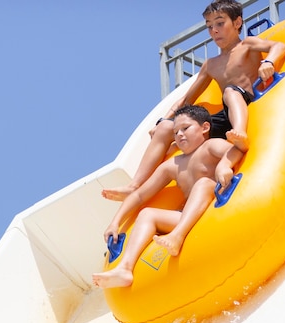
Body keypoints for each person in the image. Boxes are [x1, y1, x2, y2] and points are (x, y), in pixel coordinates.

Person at [101, 0, 285, 202]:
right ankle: (134, 185)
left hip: (248, 101)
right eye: (209, 27)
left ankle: (240, 131)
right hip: (226, 115)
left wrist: (269, 61)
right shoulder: (211, 64)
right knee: (165, 128)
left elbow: (279, 46)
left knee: (230, 92)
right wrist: (164, 121)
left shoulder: (247, 45)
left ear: (237, 22)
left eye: (219, 23)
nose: (214, 31)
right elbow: (188, 98)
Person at [92, 105, 244, 289]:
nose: (179, 135)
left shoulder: (211, 146)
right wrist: (115, 223)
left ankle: (177, 236)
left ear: (204, 128)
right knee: (147, 214)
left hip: (216, 206)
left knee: (203, 183)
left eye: (185, 128)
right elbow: (139, 195)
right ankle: (125, 268)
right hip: (189, 217)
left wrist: (224, 166)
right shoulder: (172, 166)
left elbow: (235, 150)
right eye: (175, 132)